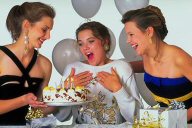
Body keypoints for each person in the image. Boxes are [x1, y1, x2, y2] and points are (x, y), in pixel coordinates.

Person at [54, 21, 143, 124]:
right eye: (80, 44)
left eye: (91, 41)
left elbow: (137, 119)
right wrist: (66, 92)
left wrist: (118, 89)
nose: (85, 47)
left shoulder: (121, 67)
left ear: (105, 42)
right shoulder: (73, 69)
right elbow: (61, 117)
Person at [121, 5, 192, 122]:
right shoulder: (146, 54)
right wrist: (123, 66)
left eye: (131, 34)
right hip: (167, 123)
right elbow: (154, 66)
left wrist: (180, 119)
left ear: (149, 31)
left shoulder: (179, 58)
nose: (128, 40)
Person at [0, 2, 55, 125]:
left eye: (50, 31)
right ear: (26, 25)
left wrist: (64, 97)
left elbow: (35, 113)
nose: (48, 36)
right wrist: (23, 100)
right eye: (44, 29)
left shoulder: (45, 65)